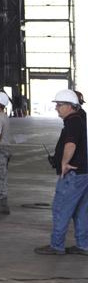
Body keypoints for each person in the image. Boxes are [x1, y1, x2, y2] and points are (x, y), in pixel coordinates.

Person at [35, 89, 88, 255]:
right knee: (81, 210)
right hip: (83, 173)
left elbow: (70, 144)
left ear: (70, 106)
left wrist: (64, 163)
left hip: (74, 175)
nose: (56, 108)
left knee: (60, 208)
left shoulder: (73, 121)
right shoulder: (79, 118)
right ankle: (83, 244)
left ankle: (56, 245)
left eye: (59, 105)